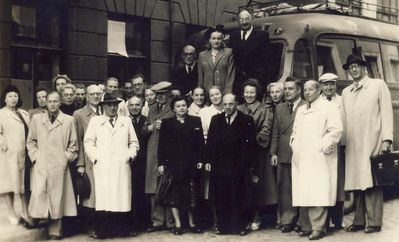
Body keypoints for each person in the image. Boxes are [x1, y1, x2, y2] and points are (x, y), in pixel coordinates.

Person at [341, 54, 393, 233]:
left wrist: (387, 139)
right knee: (357, 181)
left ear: (364, 68)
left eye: (357, 66)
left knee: (373, 181)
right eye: (350, 67)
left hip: (372, 139)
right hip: (353, 143)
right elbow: (343, 119)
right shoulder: (346, 92)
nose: (354, 69)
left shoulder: (378, 85)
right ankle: (359, 220)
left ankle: (374, 221)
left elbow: (387, 113)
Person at [290, 80, 343, 240]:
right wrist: (293, 143)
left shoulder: (328, 107)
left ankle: (319, 228)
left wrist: (322, 146)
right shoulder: (301, 110)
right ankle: (307, 225)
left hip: (319, 156)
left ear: (318, 91)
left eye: (310, 89)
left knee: (318, 190)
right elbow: (295, 130)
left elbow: (336, 130)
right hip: (302, 156)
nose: (307, 93)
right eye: (305, 90)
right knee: (305, 189)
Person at [84, 92, 139, 239]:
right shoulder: (95, 122)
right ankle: (103, 231)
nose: (113, 107)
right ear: (103, 106)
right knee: (105, 198)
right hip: (103, 166)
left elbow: (134, 143)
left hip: (121, 165)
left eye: (115, 105)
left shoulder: (126, 121)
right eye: (109, 105)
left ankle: (122, 230)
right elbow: (88, 142)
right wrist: (96, 158)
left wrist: (129, 156)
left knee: (121, 197)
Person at [27, 91, 78, 240]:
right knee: (41, 194)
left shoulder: (68, 120)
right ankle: (42, 221)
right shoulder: (37, 119)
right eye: (50, 101)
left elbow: (73, 145)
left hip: (59, 166)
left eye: (55, 101)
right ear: (45, 103)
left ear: (60, 102)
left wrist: (65, 158)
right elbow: (31, 142)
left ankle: (55, 230)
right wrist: (35, 157)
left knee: (58, 197)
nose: (52, 104)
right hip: (42, 164)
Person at [206, 93, 256, 235]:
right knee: (222, 196)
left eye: (231, 104)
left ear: (236, 104)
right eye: (225, 104)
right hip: (220, 166)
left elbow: (251, 145)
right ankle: (223, 227)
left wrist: (248, 165)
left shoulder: (246, 120)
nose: (228, 107)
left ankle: (240, 226)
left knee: (239, 196)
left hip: (239, 166)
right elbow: (210, 142)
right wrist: (209, 160)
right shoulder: (216, 120)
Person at [158, 96, 205, 235]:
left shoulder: (195, 121)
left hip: (191, 165)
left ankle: (192, 223)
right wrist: (161, 163)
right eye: (178, 106)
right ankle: (178, 224)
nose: (181, 108)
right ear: (173, 108)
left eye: (184, 105)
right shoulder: (167, 123)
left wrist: (201, 160)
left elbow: (200, 143)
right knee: (174, 195)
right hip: (173, 165)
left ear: (187, 106)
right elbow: (162, 146)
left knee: (191, 195)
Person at [237, 79, 277, 232]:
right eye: (246, 92)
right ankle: (243, 217)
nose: (249, 95)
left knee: (257, 185)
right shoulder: (239, 108)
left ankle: (256, 217)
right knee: (242, 184)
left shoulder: (265, 109)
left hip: (257, 152)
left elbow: (266, 130)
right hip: (240, 153)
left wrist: (250, 143)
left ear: (257, 93)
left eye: (252, 92)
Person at [270, 77, 306, 233]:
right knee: (284, 188)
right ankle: (288, 220)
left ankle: (302, 220)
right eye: (285, 89)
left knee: (301, 187)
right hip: (284, 153)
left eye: (290, 88)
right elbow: (276, 132)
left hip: (301, 154)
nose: (287, 91)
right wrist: (273, 152)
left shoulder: (306, 106)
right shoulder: (280, 108)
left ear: (299, 90)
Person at [0, 85, 34, 228]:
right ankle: (12, 213)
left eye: (15, 96)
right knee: (8, 184)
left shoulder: (24, 113)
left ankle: (25, 212)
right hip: (8, 154)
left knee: (24, 184)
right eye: (9, 96)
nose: (13, 99)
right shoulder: (1, 114)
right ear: (4, 99)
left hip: (24, 154)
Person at [144, 81, 175, 232]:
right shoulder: (152, 109)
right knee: (153, 187)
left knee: (167, 184)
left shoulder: (173, 108)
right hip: (152, 151)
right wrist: (150, 127)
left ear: (168, 94)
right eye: (158, 95)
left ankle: (170, 221)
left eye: (163, 94)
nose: (161, 97)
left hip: (168, 151)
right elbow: (144, 128)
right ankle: (157, 221)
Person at [72, 84, 103, 238]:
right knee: (90, 196)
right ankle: (90, 226)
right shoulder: (79, 114)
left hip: (105, 160)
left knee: (103, 193)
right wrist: (80, 164)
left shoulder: (106, 110)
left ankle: (102, 225)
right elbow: (77, 140)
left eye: (98, 93)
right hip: (89, 161)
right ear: (86, 96)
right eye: (92, 94)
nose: (96, 97)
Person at [319, 73, 345, 231]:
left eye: (332, 84)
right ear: (321, 86)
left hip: (339, 146)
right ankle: (324, 221)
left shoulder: (342, 101)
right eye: (326, 84)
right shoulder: (317, 102)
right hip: (322, 148)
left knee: (338, 184)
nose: (329, 87)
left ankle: (337, 220)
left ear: (335, 85)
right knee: (324, 182)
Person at [229, 9, 270, 97]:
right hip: (238, 81)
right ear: (238, 21)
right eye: (241, 19)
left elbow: (268, 60)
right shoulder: (233, 36)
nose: (244, 22)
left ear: (251, 19)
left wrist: (267, 82)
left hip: (256, 80)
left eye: (247, 19)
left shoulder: (262, 35)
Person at [127, 96, 151, 231]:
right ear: (128, 107)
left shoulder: (146, 121)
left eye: (137, 105)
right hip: (129, 162)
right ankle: (131, 223)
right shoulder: (123, 121)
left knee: (142, 193)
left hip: (144, 162)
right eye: (132, 105)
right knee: (131, 193)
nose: (135, 107)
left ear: (142, 106)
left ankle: (143, 223)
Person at [198, 28, 235, 94]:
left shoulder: (228, 53)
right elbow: (200, 77)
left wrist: (228, 93)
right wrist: (201, 93)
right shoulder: (202, 55)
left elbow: (231, 75)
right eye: (214, 38)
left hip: (222, 91)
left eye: (219, 38)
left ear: (222, 40)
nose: (216, 41)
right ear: (209, 40)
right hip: (207, 92)